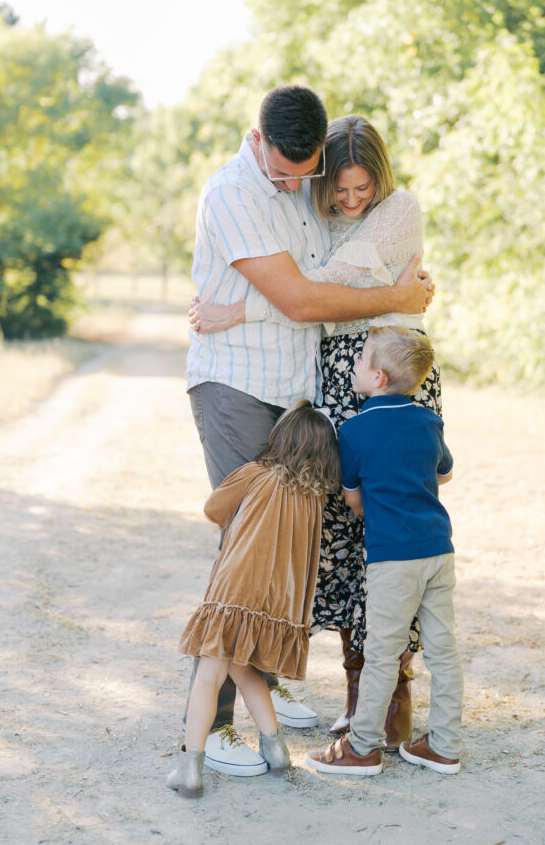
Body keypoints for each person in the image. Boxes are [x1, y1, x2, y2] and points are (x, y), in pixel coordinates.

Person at [185, 88, 433, 777]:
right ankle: (216, 728)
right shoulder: (232, 193)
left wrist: (239, 309)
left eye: (307, 171)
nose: (300, 185)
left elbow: (315, 291)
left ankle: (264, 679)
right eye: (287, 172)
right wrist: (397, 298)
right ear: (256, 139)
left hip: (298, 394)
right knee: (246, 548)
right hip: (236, 387)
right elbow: (301, 298)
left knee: (291, 546)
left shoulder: (305, 183)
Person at [305, 326, 462, 777]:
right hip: (438, 549)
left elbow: (353, 499)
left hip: (393, 558)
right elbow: (444, 474)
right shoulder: (429, 421)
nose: (354, 367)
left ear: (376, 377)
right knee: (443, 650)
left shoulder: (354, 431)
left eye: (360, 361)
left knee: (381, 653)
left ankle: (362, 747)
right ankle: (445, 746)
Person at [167, 400, 342, 798]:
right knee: (246, 670)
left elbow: (213, 509)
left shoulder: (255, 474)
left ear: (279, 438)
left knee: (208, 677)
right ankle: (276, 751)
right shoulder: (315, 498)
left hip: (234, 593)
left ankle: (189, 768)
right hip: (275, 606)